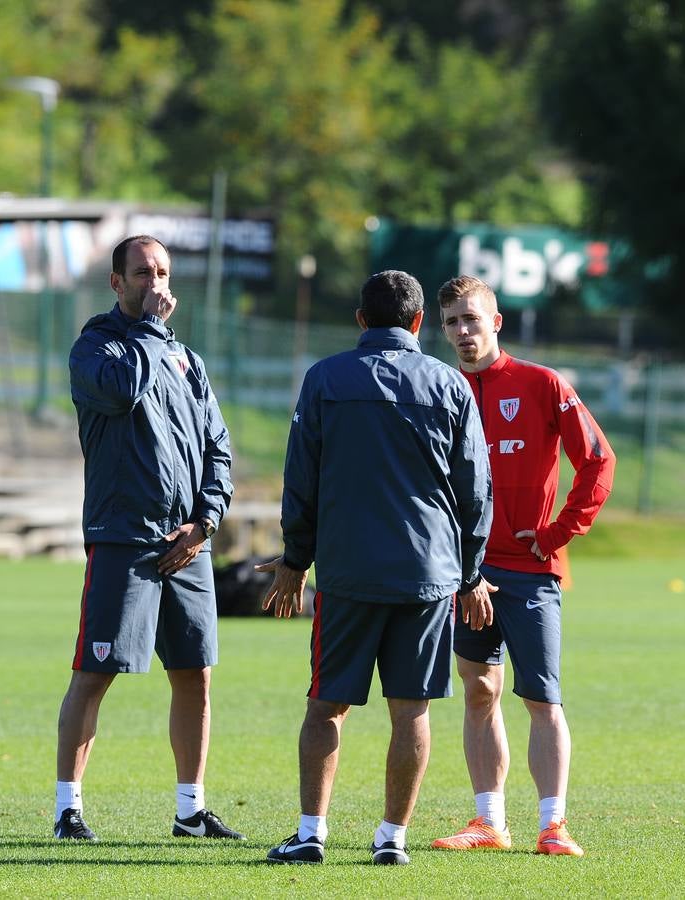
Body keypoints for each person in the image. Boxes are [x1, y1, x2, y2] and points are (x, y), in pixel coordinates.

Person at [258, 270, 493, 866]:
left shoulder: (324, 379)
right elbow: (476, 491)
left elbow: (301, 478)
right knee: (411, 709)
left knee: (326, 704)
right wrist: (470, 573)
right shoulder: (450, 385)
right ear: (419, 323)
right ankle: (392, 839)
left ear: (361, 320)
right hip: (429, 576)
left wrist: (294, 559)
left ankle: (311, 832)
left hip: (348, 575)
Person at [53, 235, 244, 842]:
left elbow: (218, 448)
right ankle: (68, 809)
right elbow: (121, 391)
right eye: (142, 273)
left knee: (195, 673)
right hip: (124, 539)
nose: (155, 283)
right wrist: (152, 333)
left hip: (188, 544)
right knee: (96, 670)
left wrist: (206, 522)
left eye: (162, 272)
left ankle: (190, 810)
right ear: (117, 282)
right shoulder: (96, 347)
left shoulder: (189, 362)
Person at [430, 275, 616, 858]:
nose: (463, 332)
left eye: (472, 320)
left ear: (495, 322)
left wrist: (560, 532)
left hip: (532, 573)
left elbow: (598, 461)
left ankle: (553, 825)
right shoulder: (440, 390)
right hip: (469, 573)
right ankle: (489, 821)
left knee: (542, 699)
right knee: (480, 689)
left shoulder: (541, 384)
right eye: (453, 323)